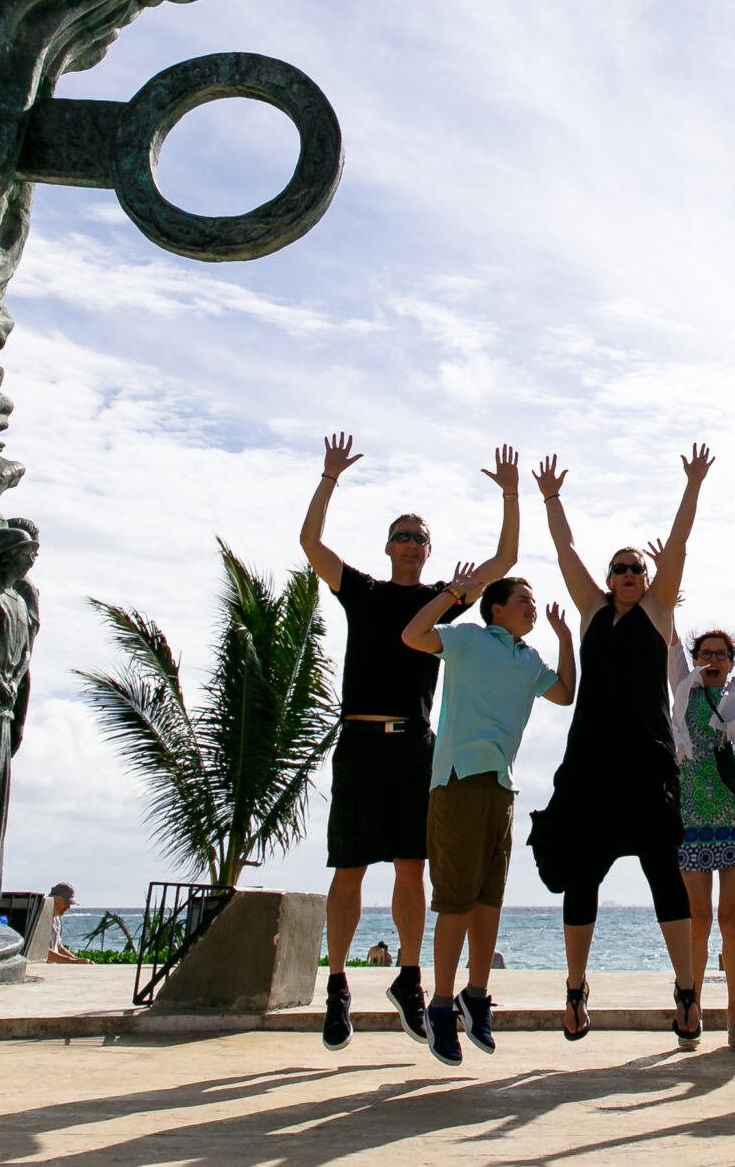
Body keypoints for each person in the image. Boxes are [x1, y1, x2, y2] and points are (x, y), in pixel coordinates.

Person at [299, 433, 522, 1051]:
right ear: (388, 545)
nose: (411, 543)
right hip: (360, 743)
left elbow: (505, 559)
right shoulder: (363, 592)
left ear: (429, 552)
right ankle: (338, 985)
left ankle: (407, 976)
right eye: (402, 534)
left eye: (420, 537)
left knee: (411, 870)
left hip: (415, 749)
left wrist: (510, 493)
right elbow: (311, 544)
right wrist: (329, 479)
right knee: (348, 871)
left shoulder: (440, 602)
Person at [529, 444, 713, 1045]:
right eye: (620, 569)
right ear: (608, 581)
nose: (630, 575)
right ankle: (576, 989)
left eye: (636, 569)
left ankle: (687, 993)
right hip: (588, 766)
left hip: (648, 764)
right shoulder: (589, 612)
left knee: (666, 875)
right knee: (582, 877)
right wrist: (551, 498)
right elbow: (565, 551)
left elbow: (679, 547)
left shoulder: (658, 614)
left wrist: (691, 485)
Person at [401, 573, 576, 1067]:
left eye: (533, 601)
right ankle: (439, 1006)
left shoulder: (529, 660)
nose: (531, 607)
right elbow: (413, 635)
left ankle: (475, 996)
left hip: (502, 787)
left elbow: (565, 693)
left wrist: (566, 641)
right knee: (455, 901)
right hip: (458, 781)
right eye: (523, 600)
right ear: (495, 608)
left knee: (489, 900)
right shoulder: (468, 639)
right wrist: (452, 596)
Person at [666, 558, 735, 1051]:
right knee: (698, 919)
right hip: (691, 816)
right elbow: (667, 637)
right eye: (705, 652)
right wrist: (665, 596)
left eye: (721, 653)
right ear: (695, 658)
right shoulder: (682, 688)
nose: (713, 658)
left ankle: (734, 1014)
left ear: (730, 662)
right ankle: (691, 1003)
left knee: (733, 920)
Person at [43, 883, 89, 963]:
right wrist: (72, 961)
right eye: (66, 903)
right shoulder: (41, 917)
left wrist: (77, 960)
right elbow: (40, 950)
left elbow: (59, 947)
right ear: (54, 899)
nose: (68, 907)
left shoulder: (57, 919)